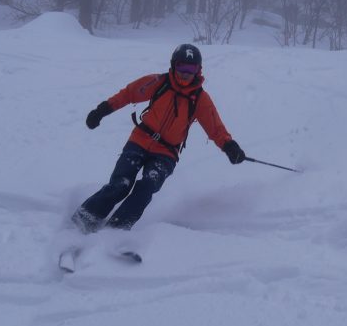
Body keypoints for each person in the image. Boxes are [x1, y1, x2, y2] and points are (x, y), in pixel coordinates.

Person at [72, 43, 245, 233]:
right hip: (140, 140)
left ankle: (116, 229)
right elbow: (128, 94)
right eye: (182, 67)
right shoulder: (158, 82)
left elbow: (216, 129)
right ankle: (85, 218)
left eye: (191, 68)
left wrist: (230, 147)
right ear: (173, 65)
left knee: (146, 187)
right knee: (121, 184)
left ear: (198, 70)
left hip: (166, 152)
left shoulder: (200, 99)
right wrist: (102, 110)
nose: (186, 73)